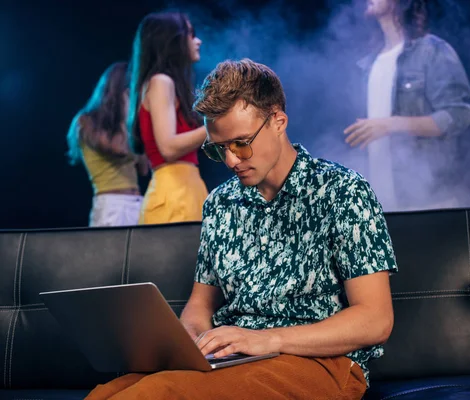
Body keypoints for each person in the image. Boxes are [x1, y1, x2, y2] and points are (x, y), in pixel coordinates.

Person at [85, 59, 397, 400]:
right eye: (219, 149)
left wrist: (267, 339)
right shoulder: (220, 203)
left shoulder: (342, 191)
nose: (232, 160)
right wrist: (191, 340)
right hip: (236, 358)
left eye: (241, 143)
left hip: (322, 363)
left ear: (278, 121)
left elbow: (376, 320)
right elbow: (200, 306)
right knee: (107, 393)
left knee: (156, 395)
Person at [344, 0, 470, 211]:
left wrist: (391, 124)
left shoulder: (432, 50)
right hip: (382, 208)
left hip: (429, 199)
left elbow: (458, 114)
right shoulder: (367, 65)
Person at [128, 11, 209, 224]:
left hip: (184, 191)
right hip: (174, 195)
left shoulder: (165, 83)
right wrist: (215, 127)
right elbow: (168, 147)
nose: (197, 41)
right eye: (191, 35)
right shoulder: (161, 82)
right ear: (171, 41)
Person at [66, 62, 148, 227]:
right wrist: (127, 109)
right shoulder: (86, 122)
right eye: (131, 89)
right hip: (112, 205)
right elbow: (120, 150)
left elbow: (144, 168)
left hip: (138, 202)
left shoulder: (127, 126)